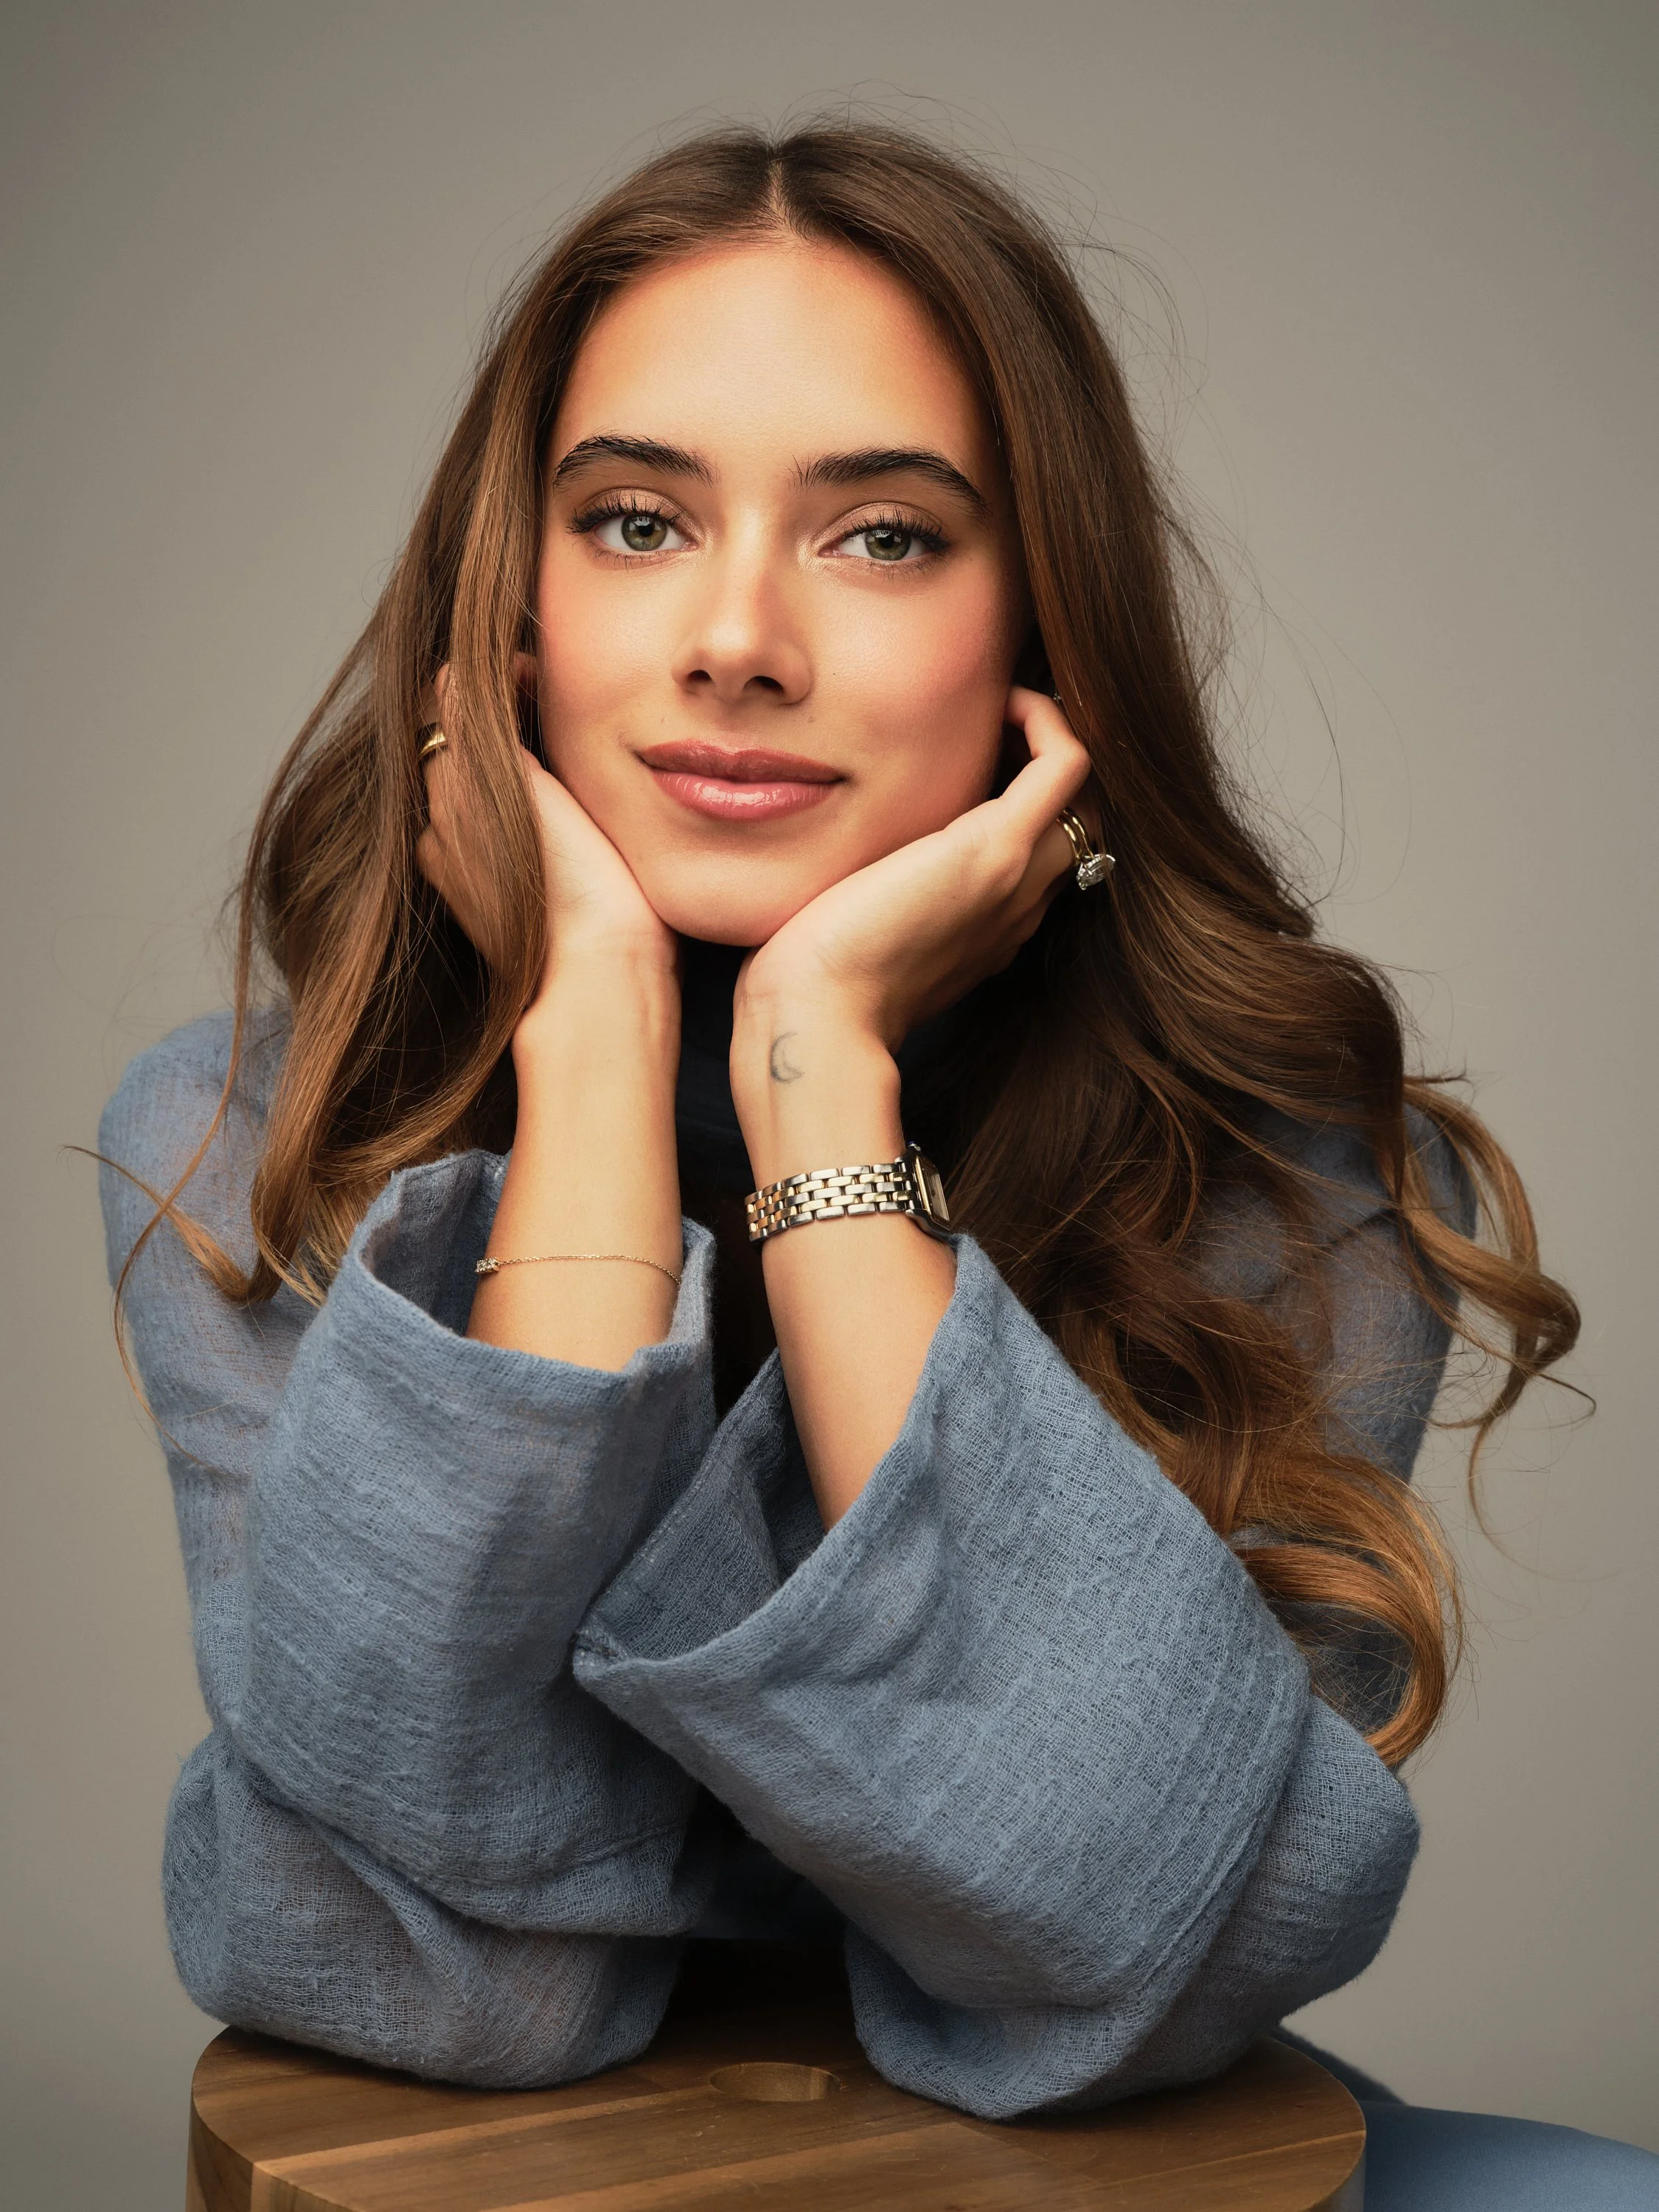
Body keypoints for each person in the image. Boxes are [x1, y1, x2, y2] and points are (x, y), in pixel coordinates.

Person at [97, 123, 1658, 2207]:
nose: (737, 636)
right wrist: (585, 1056)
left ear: (1047, 622)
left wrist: (820, 1083)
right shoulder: (245, 1154)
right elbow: (427, 1983)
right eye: (637, 521)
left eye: (887, 537)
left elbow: (1139, 1955)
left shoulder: (1283, 1169)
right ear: (513, 611)